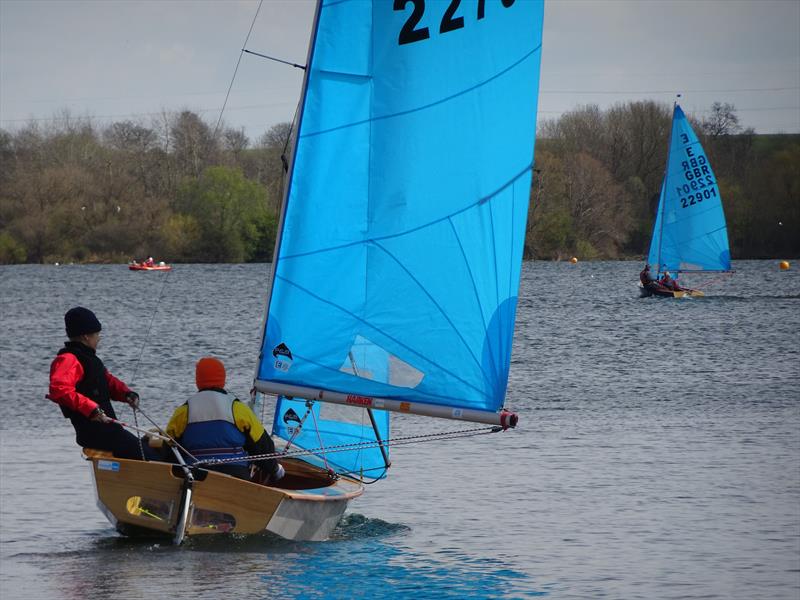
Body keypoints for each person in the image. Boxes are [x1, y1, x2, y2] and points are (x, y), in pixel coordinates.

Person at [48, 307, 159, 460]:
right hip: (95, 433)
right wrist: (91, 409)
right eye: (97, 334)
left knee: (153, 448)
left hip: (108, 431)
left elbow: (106, 381)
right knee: (151, 457)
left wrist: (126, 394)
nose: (98, 339)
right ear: (87, 336)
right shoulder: (68, 359)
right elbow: (59, 390)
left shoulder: (89, 359)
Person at [166, 357, 284, 484]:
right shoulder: (237, 408)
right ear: (223, 380)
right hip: (235, 474)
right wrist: (275, 470)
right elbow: (262, 446)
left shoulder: (184, 410)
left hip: (196, 475)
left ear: (198, 381)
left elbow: (169, 449)